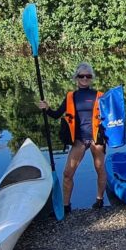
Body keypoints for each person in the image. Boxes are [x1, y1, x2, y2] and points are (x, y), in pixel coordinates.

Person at [39, 62, 106, 213]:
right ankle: (66, 205)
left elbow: (111, 117)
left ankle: (99, 200)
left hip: (97, 138)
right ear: (76, 78)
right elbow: (56, 115)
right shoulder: (71, 96)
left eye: (88, 76)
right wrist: (47, 108)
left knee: (100, 169)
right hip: (79, 139)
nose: (84, 78)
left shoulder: (99, 95)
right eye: (81, 76)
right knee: (67, 174)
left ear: (91, 78)